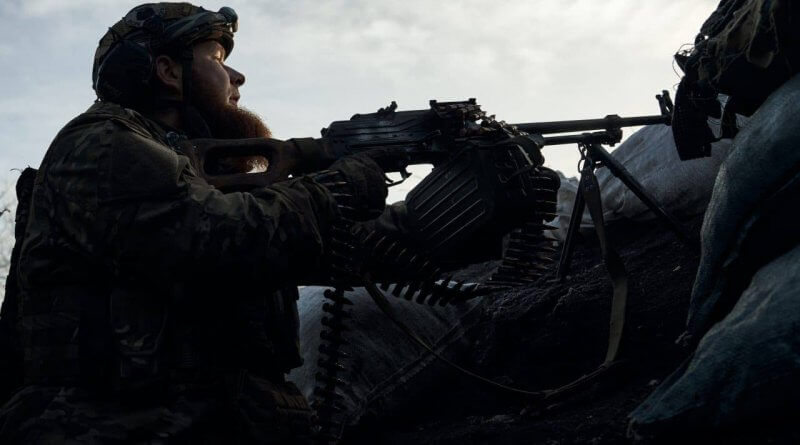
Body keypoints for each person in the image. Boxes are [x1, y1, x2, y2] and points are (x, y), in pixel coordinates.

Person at [0, 3, 388, 443]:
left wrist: (425, 214)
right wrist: (334, 190)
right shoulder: (101, 143)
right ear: (168, 71)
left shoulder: (189, 172)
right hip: (114, 427)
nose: (238, 77)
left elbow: (323, 245)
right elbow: (219, 240)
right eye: (218, 59)